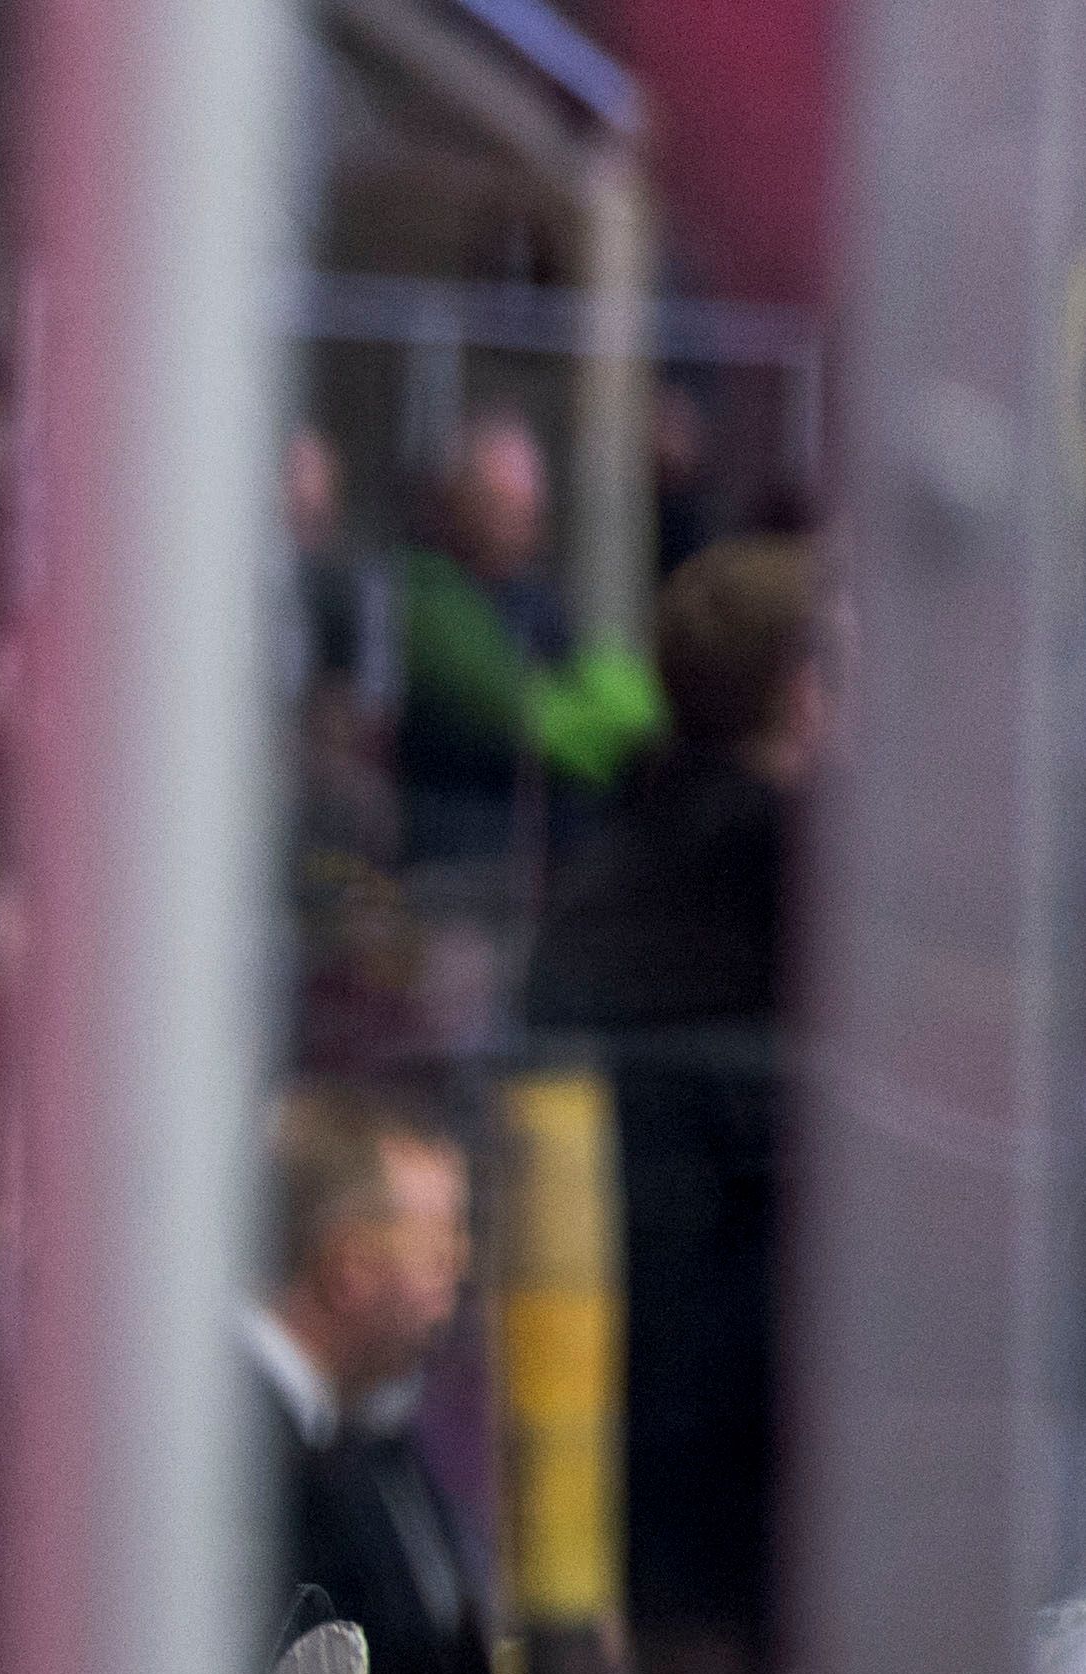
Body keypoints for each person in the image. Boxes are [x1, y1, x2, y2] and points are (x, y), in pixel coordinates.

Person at [525, 536, 829, 1674]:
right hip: (768, 1455)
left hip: (630, 1458)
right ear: (803, 691)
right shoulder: (813, 895)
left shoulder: (609, 866)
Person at [249, 1079, 490, 1674]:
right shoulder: (242, 1451)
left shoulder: (354, 1441)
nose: (461, 1269)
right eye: (437, 1243)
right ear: (348, 1267)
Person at [395, 412, 661, 864]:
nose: (526, 523)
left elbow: (603, 679)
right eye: (504, 507)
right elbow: (524, 719)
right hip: (456, 842)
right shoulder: (428, 594)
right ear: (460, 503)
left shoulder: (531, 596)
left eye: (532, 508)